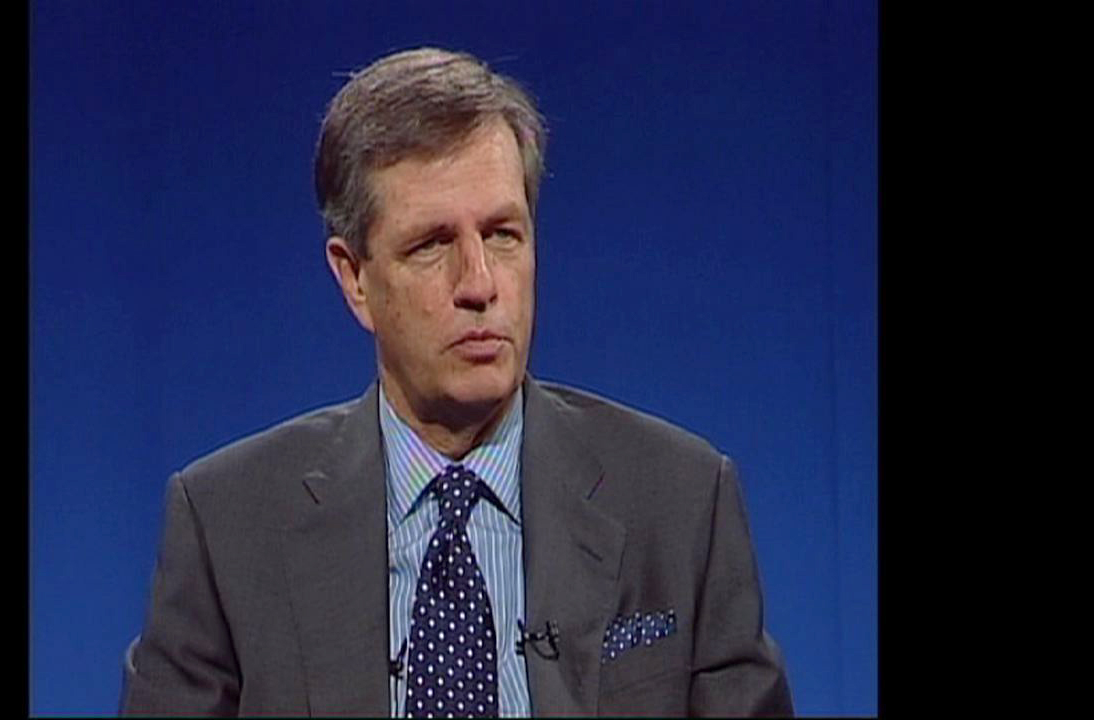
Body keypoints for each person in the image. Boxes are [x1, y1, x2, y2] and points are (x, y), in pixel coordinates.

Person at [120, 47, 793, 717]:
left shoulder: (681, 503)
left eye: (502, 235)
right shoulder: (227, 528)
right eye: (431, 245)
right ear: (354, 278)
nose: (479, 283)